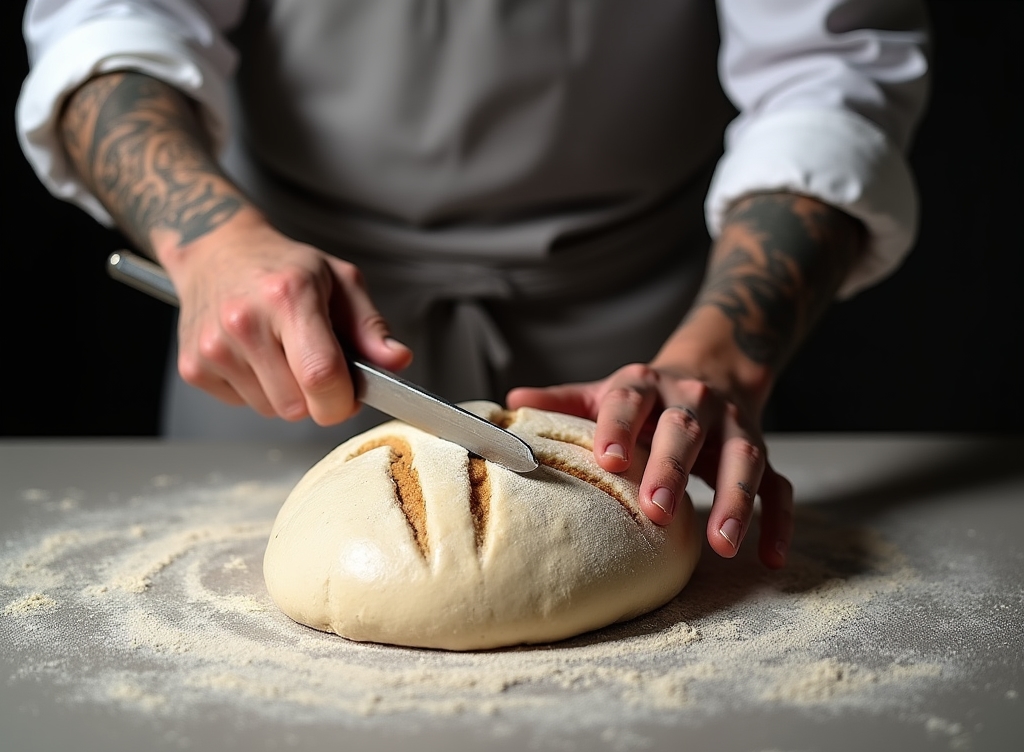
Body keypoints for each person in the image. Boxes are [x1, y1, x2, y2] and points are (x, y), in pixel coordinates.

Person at [17, 0, 930, 570]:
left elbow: (829, 77)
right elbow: (109, 23)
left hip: (641, 363)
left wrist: (723, 355)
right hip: (289, 336)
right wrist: (213, 242)